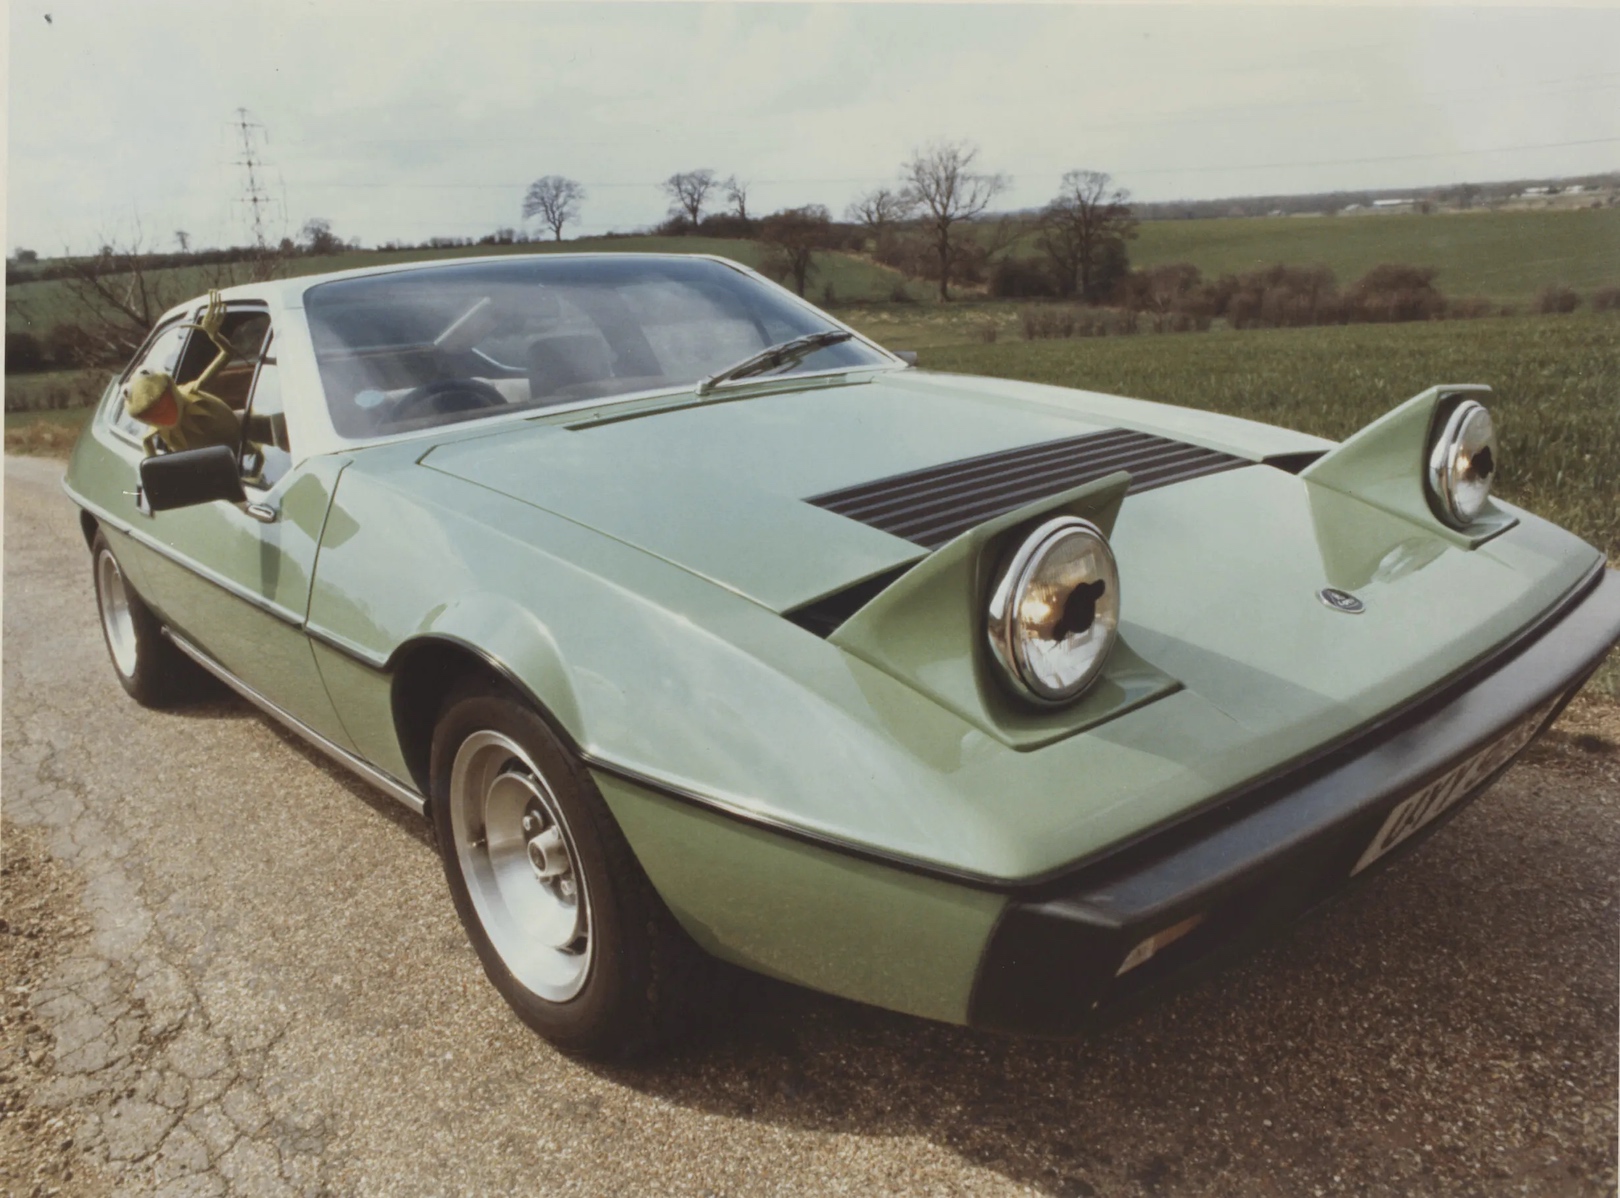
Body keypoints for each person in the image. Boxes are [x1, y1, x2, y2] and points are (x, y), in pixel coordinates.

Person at [124, 290, 243, 456]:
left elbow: (227, 354)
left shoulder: (193, 390)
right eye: (153, 412)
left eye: (161, 403)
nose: (160, 410)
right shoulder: (153, 435)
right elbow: (153, 468)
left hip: (244, 436)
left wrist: (215, 336)